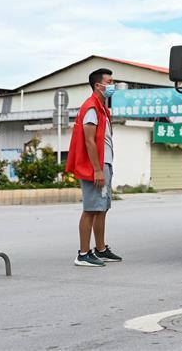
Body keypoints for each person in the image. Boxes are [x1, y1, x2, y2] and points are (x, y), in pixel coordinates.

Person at [66, 68, 123, 267]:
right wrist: (97, 170)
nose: (112, 85)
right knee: (90, 209)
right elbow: (89, 141)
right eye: (110, 81)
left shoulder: (102, 109)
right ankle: (83, 253)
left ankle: (100, 249)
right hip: (95, 167)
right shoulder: (91, 108)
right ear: (99, 85)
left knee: (102, 208)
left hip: (105, 164)